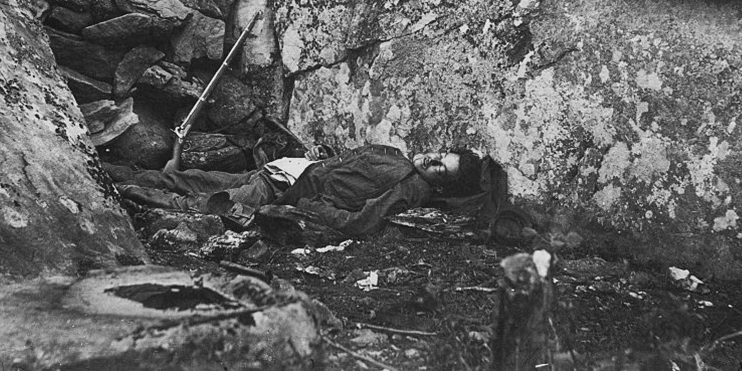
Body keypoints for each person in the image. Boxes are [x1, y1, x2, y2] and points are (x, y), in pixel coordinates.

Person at [111, 143, 485, 239]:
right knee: (187, 177)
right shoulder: (402, 159)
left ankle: (111, 190)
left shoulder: (410, 187)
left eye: (441, 168)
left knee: (191, 201)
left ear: (440, 184)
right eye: (442, 153)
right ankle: (100, 170)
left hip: (279, 193)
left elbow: (362, 222)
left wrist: (312, 206)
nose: (434, 158)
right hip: (281, 172)